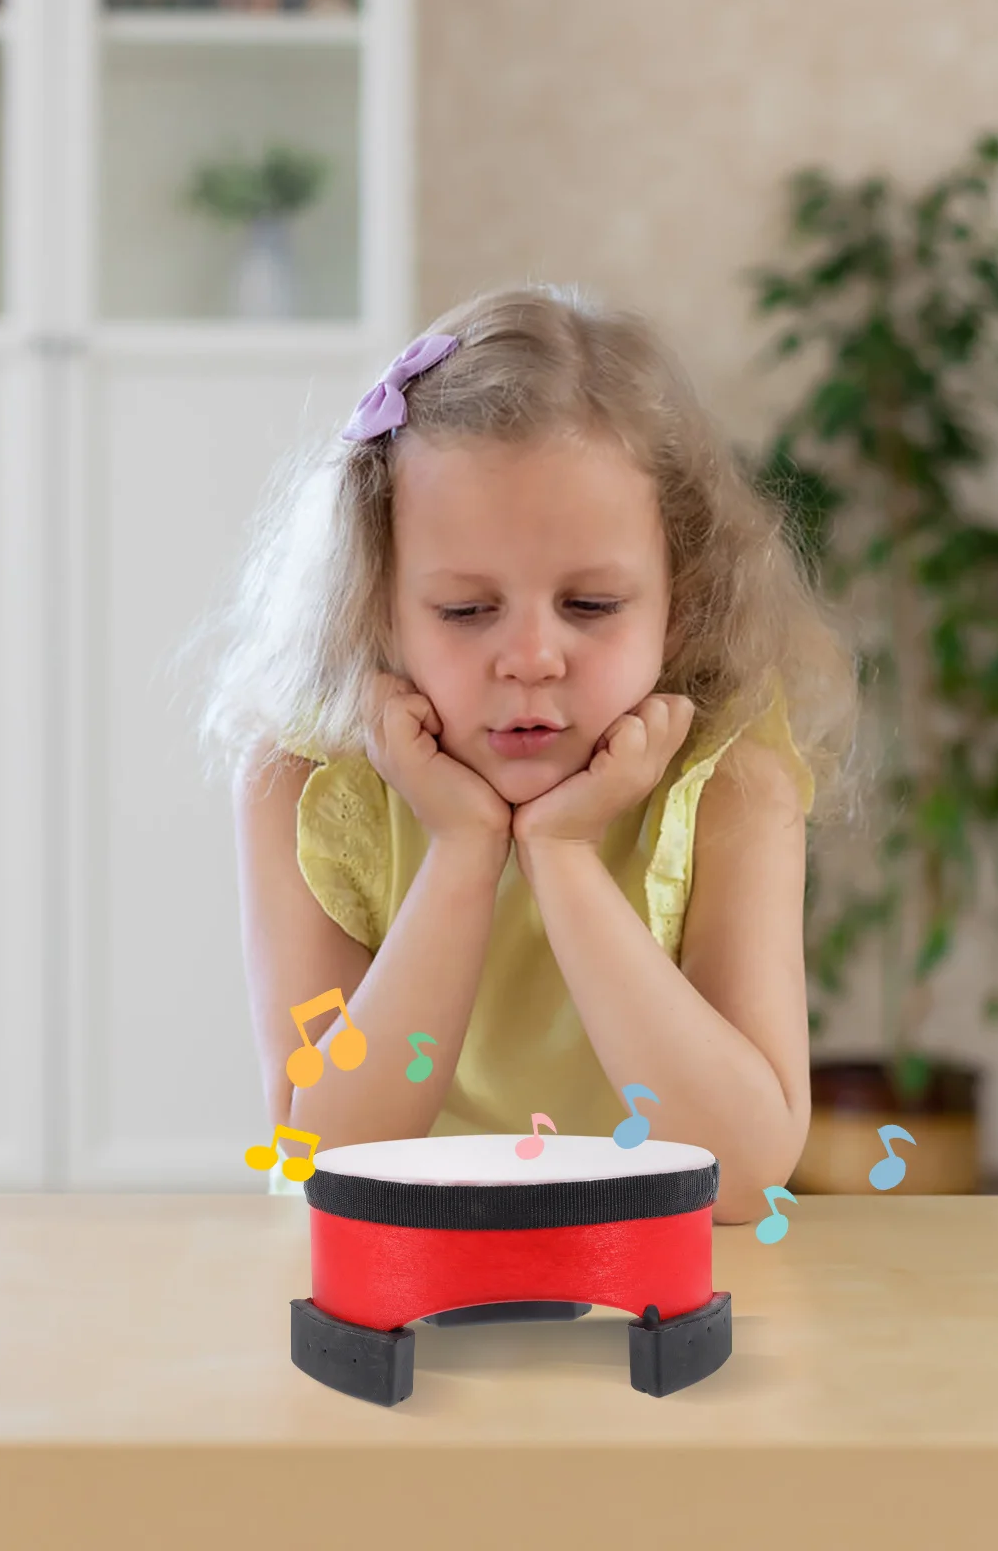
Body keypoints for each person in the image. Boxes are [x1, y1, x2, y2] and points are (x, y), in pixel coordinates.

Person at [196, 283, 856, 1224]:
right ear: (375, 599)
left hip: (642, 1286)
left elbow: (745, 1179)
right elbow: (321, 1161)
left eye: (591, 607)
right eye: (466, 611)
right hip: (394, 1289)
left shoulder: (733, 778)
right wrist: (463, 852)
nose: (533, 659)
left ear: (687, 592)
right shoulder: (301, 775)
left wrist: (563, 855)